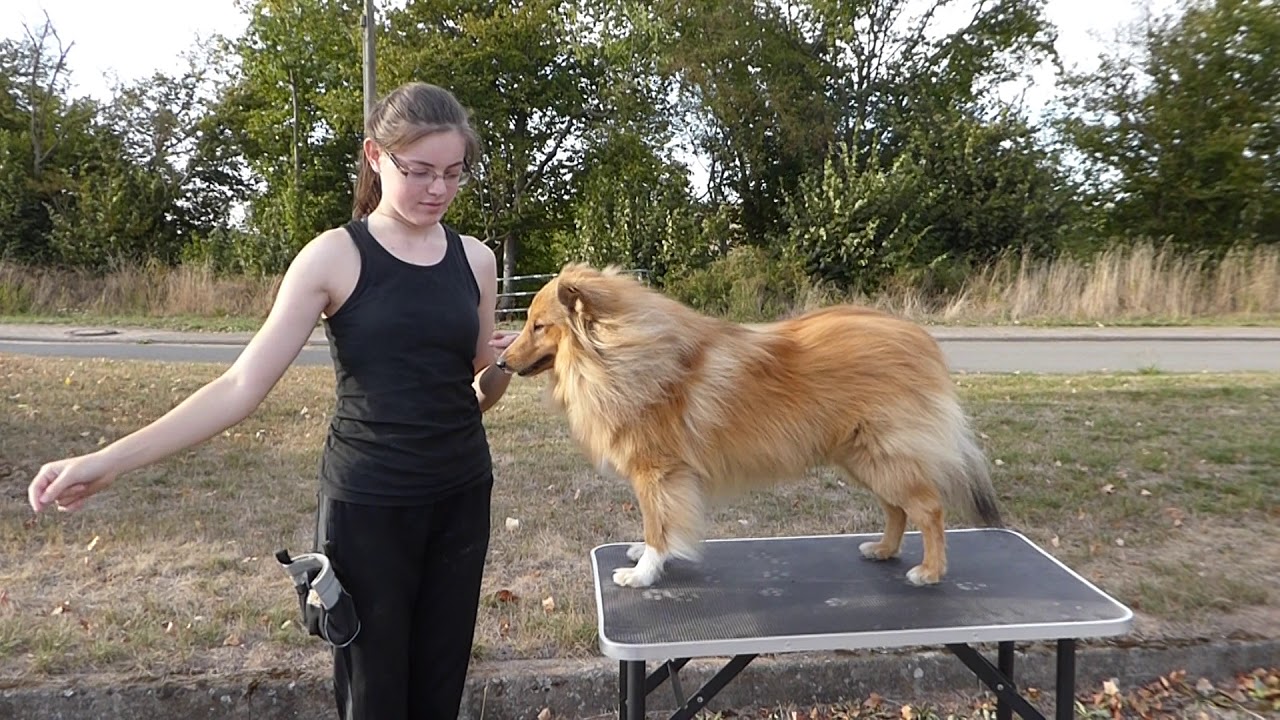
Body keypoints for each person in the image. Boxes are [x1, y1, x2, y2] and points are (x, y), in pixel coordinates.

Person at [27, 81, 517, 720]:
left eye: (453, 174)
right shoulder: (333, 258)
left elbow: (477, 389)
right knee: (373, 693)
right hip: (370, 505)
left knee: (440, 682)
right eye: (418, 170)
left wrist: (508, 366)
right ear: (375, 156)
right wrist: (107, 460)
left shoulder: (475, 260)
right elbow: (239, 386)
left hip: (460, 494)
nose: (437, 189)